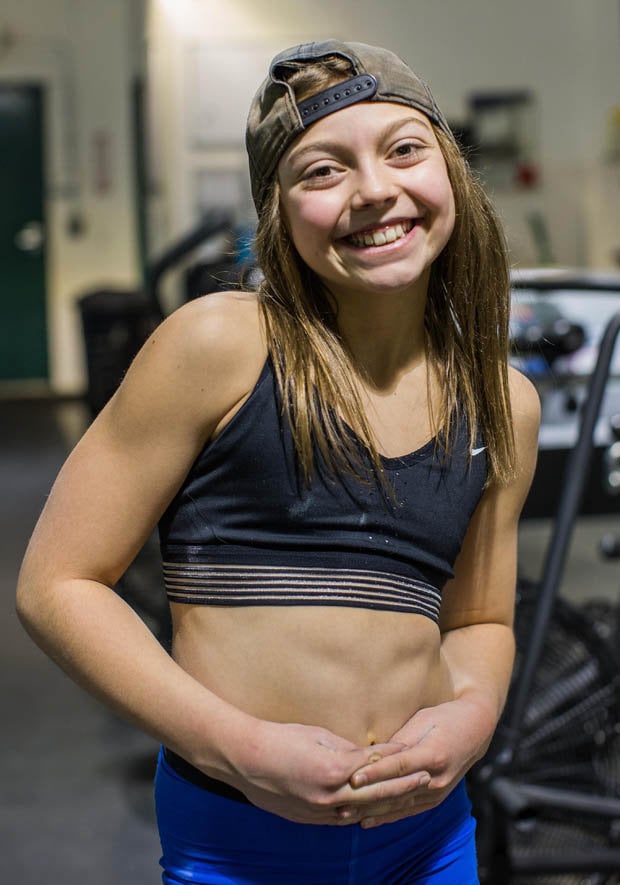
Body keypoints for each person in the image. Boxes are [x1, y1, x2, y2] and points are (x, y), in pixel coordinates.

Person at [16, 39, 540, 884]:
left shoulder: (500, 398)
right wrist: (239, 748)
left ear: (452, 170)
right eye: (323, 170)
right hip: (239, 841)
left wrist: (472, 717)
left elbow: (480, 619)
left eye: (405, 149)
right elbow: (57, 584)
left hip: (428, 838)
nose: (374, 189)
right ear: (278, 214)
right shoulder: (219, 346)